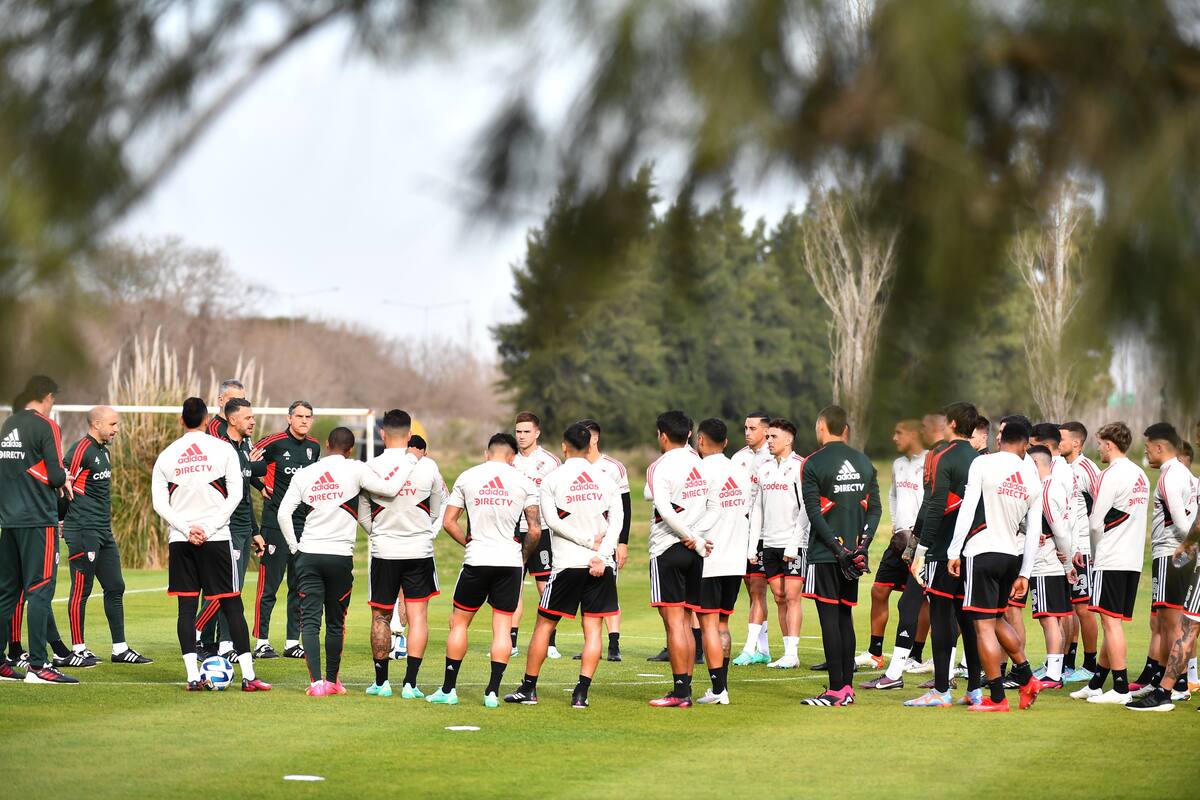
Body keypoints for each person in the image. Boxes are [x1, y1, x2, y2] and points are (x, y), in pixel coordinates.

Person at [277, 426, 415, 696]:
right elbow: (389, 488)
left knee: (311, 621)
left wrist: (296, 548)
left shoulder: (306, 473)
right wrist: (410, 459)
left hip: (309, 554)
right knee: (336, 622)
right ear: (350, 449)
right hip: (339, 557)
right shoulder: (356, 469)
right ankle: (333, 681)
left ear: (327, 444)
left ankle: (317, 683)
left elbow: (284, 514)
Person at [152, 397, 269, 692]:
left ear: (181, 421)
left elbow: (159, 503)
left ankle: (193, 676)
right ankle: (248, 676)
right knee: (232, 606)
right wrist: (208, 527)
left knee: (186, 610)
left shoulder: (166, 455)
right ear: (207, 421)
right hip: (216, 539)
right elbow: (236, 495)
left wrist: (187, 529)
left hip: (182, 541)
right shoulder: (222, 449)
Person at [506, 423, 623, 708]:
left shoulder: (552, 480)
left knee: (544, 626)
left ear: (564, 446)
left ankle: (529, 689)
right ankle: (581, 694)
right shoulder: (607, 479)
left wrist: (586, 544)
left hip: (567, 565)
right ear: (590, 446)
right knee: (593, 629)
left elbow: (553, 523)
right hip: (600, 565)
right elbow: (617, 523)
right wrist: (601, 554)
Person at [432, 433, 541, 707]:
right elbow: (535, 529)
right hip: (510, 562)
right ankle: (491, 692)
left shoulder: (468, 476)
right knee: (502, 628)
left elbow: (449, 522)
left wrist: (468, 542)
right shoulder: (524, 482)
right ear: (513, 457)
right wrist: (522, 556)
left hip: (477, 559)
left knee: (459, 623)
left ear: (486, 453)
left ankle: (448, 690)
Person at [946, 417, 1042, 712]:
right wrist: (1025, 572)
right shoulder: (1031, 476)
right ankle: (1027, 677)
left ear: (1000, 440)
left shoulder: (983, 464)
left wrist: (954, 550)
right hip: (1010, 558)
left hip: (981, 551)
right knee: (998, 619)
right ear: (1026, 445)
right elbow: (1034, 530)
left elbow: (967, 509)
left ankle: (998, 698)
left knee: (983, 627)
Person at [797, 405, 880, 707]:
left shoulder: (812, 463)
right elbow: (875, 509)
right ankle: (846, 686)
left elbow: (813, 512)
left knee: (829, 619)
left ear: (821, 427)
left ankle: (835, 689)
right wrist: (862, 545)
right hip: (855, 554)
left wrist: (836, 548)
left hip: (826, 554)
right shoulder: (864, 461)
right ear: (845, 429)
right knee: (845, 615)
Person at [360, 410, 445, 699]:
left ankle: (381, 683)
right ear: (410, 435)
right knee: (419, 616)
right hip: (419, 550)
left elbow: (362, 514)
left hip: (384, 550)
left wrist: (378, 532)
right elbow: (438, 508)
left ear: (382, 434)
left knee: (380, 616)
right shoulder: (428, 466)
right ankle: (410, 684)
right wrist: (425, 531)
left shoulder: (370, 466)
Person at [0, 375, 77, 684]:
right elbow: (57, 474)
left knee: (6, 594)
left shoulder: (8, 425)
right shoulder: (46, 426)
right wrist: (64, 480)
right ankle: (38, 665)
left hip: (9, 521)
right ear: (47, 396)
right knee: (40, 592)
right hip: (38, 521)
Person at [60, 406, 151, 666]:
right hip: (82, 530)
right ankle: (78, 648)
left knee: (115, 586)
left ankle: (120, 649)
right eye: (112, 424)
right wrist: (61, 519)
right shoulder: (80, 450)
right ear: (96, 424)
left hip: (102, 530)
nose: (116, 429)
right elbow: (63, 485)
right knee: (82, 588)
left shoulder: (104, 452)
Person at [1069, 422, 1151, 705]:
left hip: (1111, 557)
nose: (1099, 448)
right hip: (1132, 559)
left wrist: (1093, 550)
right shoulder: (1141, 474)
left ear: (1109, 445)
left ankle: (1119, 687)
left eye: (1101, 443)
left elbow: (1095, 522)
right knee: (1112, 621)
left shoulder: (1110, 474)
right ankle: (1096, 683)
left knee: (1110, 623)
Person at [905, 402, 980, 706]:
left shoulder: (942, 456)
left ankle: (940, 690)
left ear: (951, 423)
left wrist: (920, 548)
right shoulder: (980, 459)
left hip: (941, 550)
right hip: (971, 552)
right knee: (969, 619)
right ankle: (974, 689)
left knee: (940, 616)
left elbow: (935, 505)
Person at [645, 410, 711, 707]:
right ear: (688, 434)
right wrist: (697, 537)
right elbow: (711, 503)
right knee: (685, 621)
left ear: (661, 434)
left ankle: (680, 692)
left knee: (674, 624)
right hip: (694, 551)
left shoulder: (660, 466)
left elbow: (665, 510)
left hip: (668, 549)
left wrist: (691, 537)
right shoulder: (699, 462)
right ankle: (684, 687)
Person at [195, 399, 267, 661]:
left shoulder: (243, 448)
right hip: (225, 529)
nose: (253, 421)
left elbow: (244, 496)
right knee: (224, 588)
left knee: (233, 590)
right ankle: (197, 634)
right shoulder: (221, 450)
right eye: (248, 417)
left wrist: (255, 531)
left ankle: (225, 644)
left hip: (243, 529)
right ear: (232, 420)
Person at [1128, 423, 1196, 699]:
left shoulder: (1169, 476)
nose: (1146, 454)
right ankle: (1174, 682)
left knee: (1171, 624)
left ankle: (1175, 686)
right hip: (1182, 555)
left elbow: (1181, 522)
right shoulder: (1187, 474)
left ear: (1159, 446)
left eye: (1147, 448)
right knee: (1176, 623)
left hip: (1171, 554)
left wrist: (1185, 546)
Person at [690, 418, 752, 704]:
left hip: (709, 557)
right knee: (723, 623)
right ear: (726, 442)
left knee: (708, 624)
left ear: (700, 441)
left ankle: (718, 690)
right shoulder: (739, 470)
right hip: (736, 558)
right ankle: (722, 687)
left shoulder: (698, 471)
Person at [252, 400, 319, 660]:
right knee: (269, 586)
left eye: (308, 416)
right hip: (275, 525)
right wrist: (260, 487)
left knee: (298, 585)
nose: (304, 420)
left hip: (303, 526)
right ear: (289, 418)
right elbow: (243, 465)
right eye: (299, 416)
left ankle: (293, 642)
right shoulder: (274, 442)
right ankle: (261, 641)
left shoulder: (314, 448)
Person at [858, 419, 925, 673]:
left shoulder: (929, 462)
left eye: (899, 433)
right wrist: (898, 527)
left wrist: (917, 536)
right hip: (898, 540)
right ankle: (875, 653)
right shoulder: (898, 464)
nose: (894, 438)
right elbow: (893, 496)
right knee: (879, 591)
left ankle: (915, 656)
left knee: (920, 601)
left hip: (920, 544)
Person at [748, 418, 808, 669]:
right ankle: (786, 653)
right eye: (768, 437)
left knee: (793, 596)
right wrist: (753, 545)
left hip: (793, 543)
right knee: (779, 596)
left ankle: (793, 653)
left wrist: (794, 543)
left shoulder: (800, 467)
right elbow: (758, 509)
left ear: (789, 439)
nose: (769, 441)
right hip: (769, 543)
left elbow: (806, 507)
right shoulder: (764, 469)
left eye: (774, 437)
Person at [573, 418, 630, 662]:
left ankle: (614, 645)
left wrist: (622, 542)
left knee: (609, 590)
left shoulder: (613, 467)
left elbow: (625, 507)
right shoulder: (573, 467)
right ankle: (590, 645)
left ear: (595, 438)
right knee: (584, 591)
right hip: (581, 541)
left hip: (607, 541)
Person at [510, 411, 562, 659]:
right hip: (512, 531)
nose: (521, 436)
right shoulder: (508, 458)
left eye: (526, 431)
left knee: (545, 587)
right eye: (518, 431)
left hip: (541, 532)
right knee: (512, 587)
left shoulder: (551, 461)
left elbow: (561, 495)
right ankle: (511, 642)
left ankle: (550, 642)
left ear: (537, 433)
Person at [1026, 444, 1077, 690]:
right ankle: (1055, 670)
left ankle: (1054, 675)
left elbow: (1059, 530)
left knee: (1048, 619)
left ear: (1036, 464)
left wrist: (1067, 562)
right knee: (1054, 619)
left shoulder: (1045, 490)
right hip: (1054, 563)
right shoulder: (1057, 487)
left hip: (1047, 564)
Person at [1059, 420, 1102, 682]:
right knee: (1070, 607)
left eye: (1062, 438)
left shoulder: (1087, 468)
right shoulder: (1064, 468)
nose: (1058, 442)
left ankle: (1090, 664)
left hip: (1084, 550)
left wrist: (1095, 546)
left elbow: (1102, 507)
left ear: (1076, 442)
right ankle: (1067, 662)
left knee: (1083, 608)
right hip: (1069, 550)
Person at [731, 411, 775, 666]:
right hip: (742, 530)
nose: (747, 432)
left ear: (765, 431)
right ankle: (764, 649)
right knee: (752, 589)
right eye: (745, 428)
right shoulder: (738, 458)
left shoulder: (772, 457)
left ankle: (749, 648)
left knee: (759, 589)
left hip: (765, 532)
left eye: (752, 428)